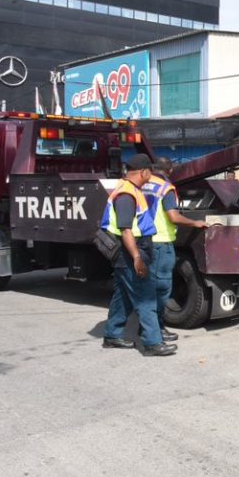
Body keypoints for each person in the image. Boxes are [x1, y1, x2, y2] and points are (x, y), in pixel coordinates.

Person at [99, 153, 176, 356]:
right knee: (146, 297)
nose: (151, 175)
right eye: (149, 172)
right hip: (130, 251)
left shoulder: (131, 189)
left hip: (129, 251)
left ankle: (112, 335)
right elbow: (126, 230)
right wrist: (136, 258)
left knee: (122, 296)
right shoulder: (126, 195)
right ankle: (152, 343)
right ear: (143, 172)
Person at [142, 157, 208, 341]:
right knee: (162, 290)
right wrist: (195, 222)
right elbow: (173, 217)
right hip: (161, 243)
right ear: (170, 170)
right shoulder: (166, 188)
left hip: (145, 240)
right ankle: (155, 330)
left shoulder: (144, 184)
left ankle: (148, 328)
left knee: (149, 288)